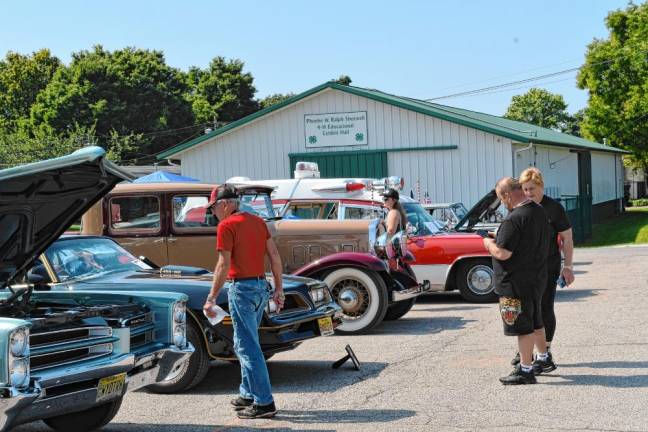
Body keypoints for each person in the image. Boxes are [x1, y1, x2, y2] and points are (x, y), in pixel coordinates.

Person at [202, 184, 285, 419]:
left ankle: (264, 403)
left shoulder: (226, 225)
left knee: (248, 347)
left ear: (226, 204)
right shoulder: (258, 221)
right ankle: (247, 394)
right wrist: (279, 288)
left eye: (214, 207)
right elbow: (275, 256)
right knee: (244, 342)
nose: (213, 212)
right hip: (260, 287)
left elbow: (223, 265)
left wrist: (211, 298)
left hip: (242, 289)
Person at [482, 177, 549, 385]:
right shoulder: (538, 211)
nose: (502, 202)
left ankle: (526, 370)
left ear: (508, 195)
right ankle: (543, 358)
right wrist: (501, 234)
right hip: (536, 278)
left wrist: (487, 243)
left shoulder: (514, 218)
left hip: (516, 282)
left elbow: (503, 253)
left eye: (502, 198)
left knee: (523, 326)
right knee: (536, 320)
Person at [515, 167, 574, 370]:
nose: (528, 193)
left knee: (544, 307)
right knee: (527, 310)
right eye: (525, 189)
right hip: (525, 269)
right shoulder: (520, 207)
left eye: (532, 189)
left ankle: (545, 352)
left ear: (541, 186)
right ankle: (526, 351)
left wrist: (568, 266)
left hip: (548, 266)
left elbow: (567, 239)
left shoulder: (553, 208)